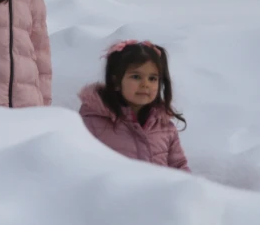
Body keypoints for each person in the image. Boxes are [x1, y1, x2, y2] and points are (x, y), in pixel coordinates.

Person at [78, 40, 189, 171]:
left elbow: (179, 168)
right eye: (136, 77)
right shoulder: (93, 123)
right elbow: (80, 167)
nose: (145, 84)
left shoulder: (165, 128)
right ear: (116, 82)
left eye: (152, 78)